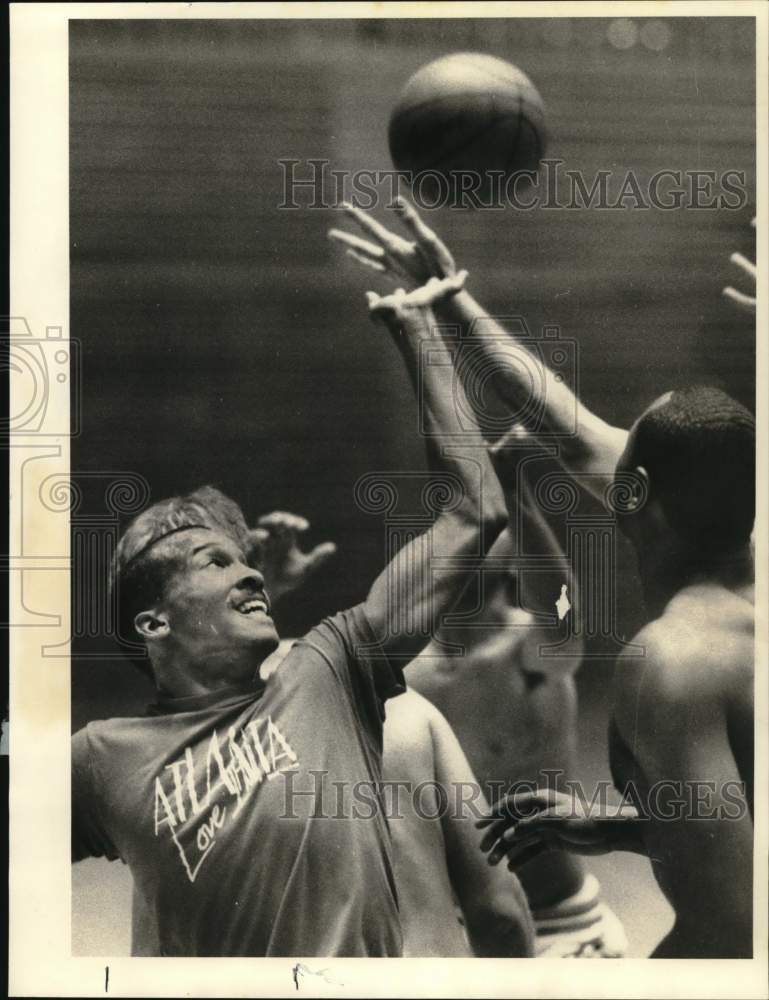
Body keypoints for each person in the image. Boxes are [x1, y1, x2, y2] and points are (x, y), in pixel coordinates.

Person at [331, 201, 755, 957]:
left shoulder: (672, 660)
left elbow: (732, 925)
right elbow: (562, 425)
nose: (594, 443)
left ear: (632, 496)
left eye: (618, 451)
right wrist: (450, 296)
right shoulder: (740, 541)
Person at [71, 273, 518, 957]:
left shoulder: (329, 671)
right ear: (153, 624)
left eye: (246, 560)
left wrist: (419, 326)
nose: (248, 569)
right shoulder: (103, 758)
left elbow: (474, 511)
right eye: (215, 562)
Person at [331, 204, 628, 957]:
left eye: (501, 576)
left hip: (568, 922)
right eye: (474, 567)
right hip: (469, 933)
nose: (489, 587)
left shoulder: (533, 648)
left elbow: (562, 606)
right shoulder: (411, 676)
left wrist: (521, 495)